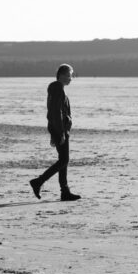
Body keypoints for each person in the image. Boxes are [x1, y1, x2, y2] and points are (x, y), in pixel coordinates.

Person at [29, 64, 81, 202]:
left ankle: (65, 192)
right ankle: (38, 182)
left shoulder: (56, 88)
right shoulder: (58, 88)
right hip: (60, 129)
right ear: (62, 75)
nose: (71, 78)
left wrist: (56, 131)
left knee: (63, 160)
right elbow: (56, 112)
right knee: (64, 160)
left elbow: (53, 112)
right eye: (70, 75)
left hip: (58, 128)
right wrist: (61, 132)